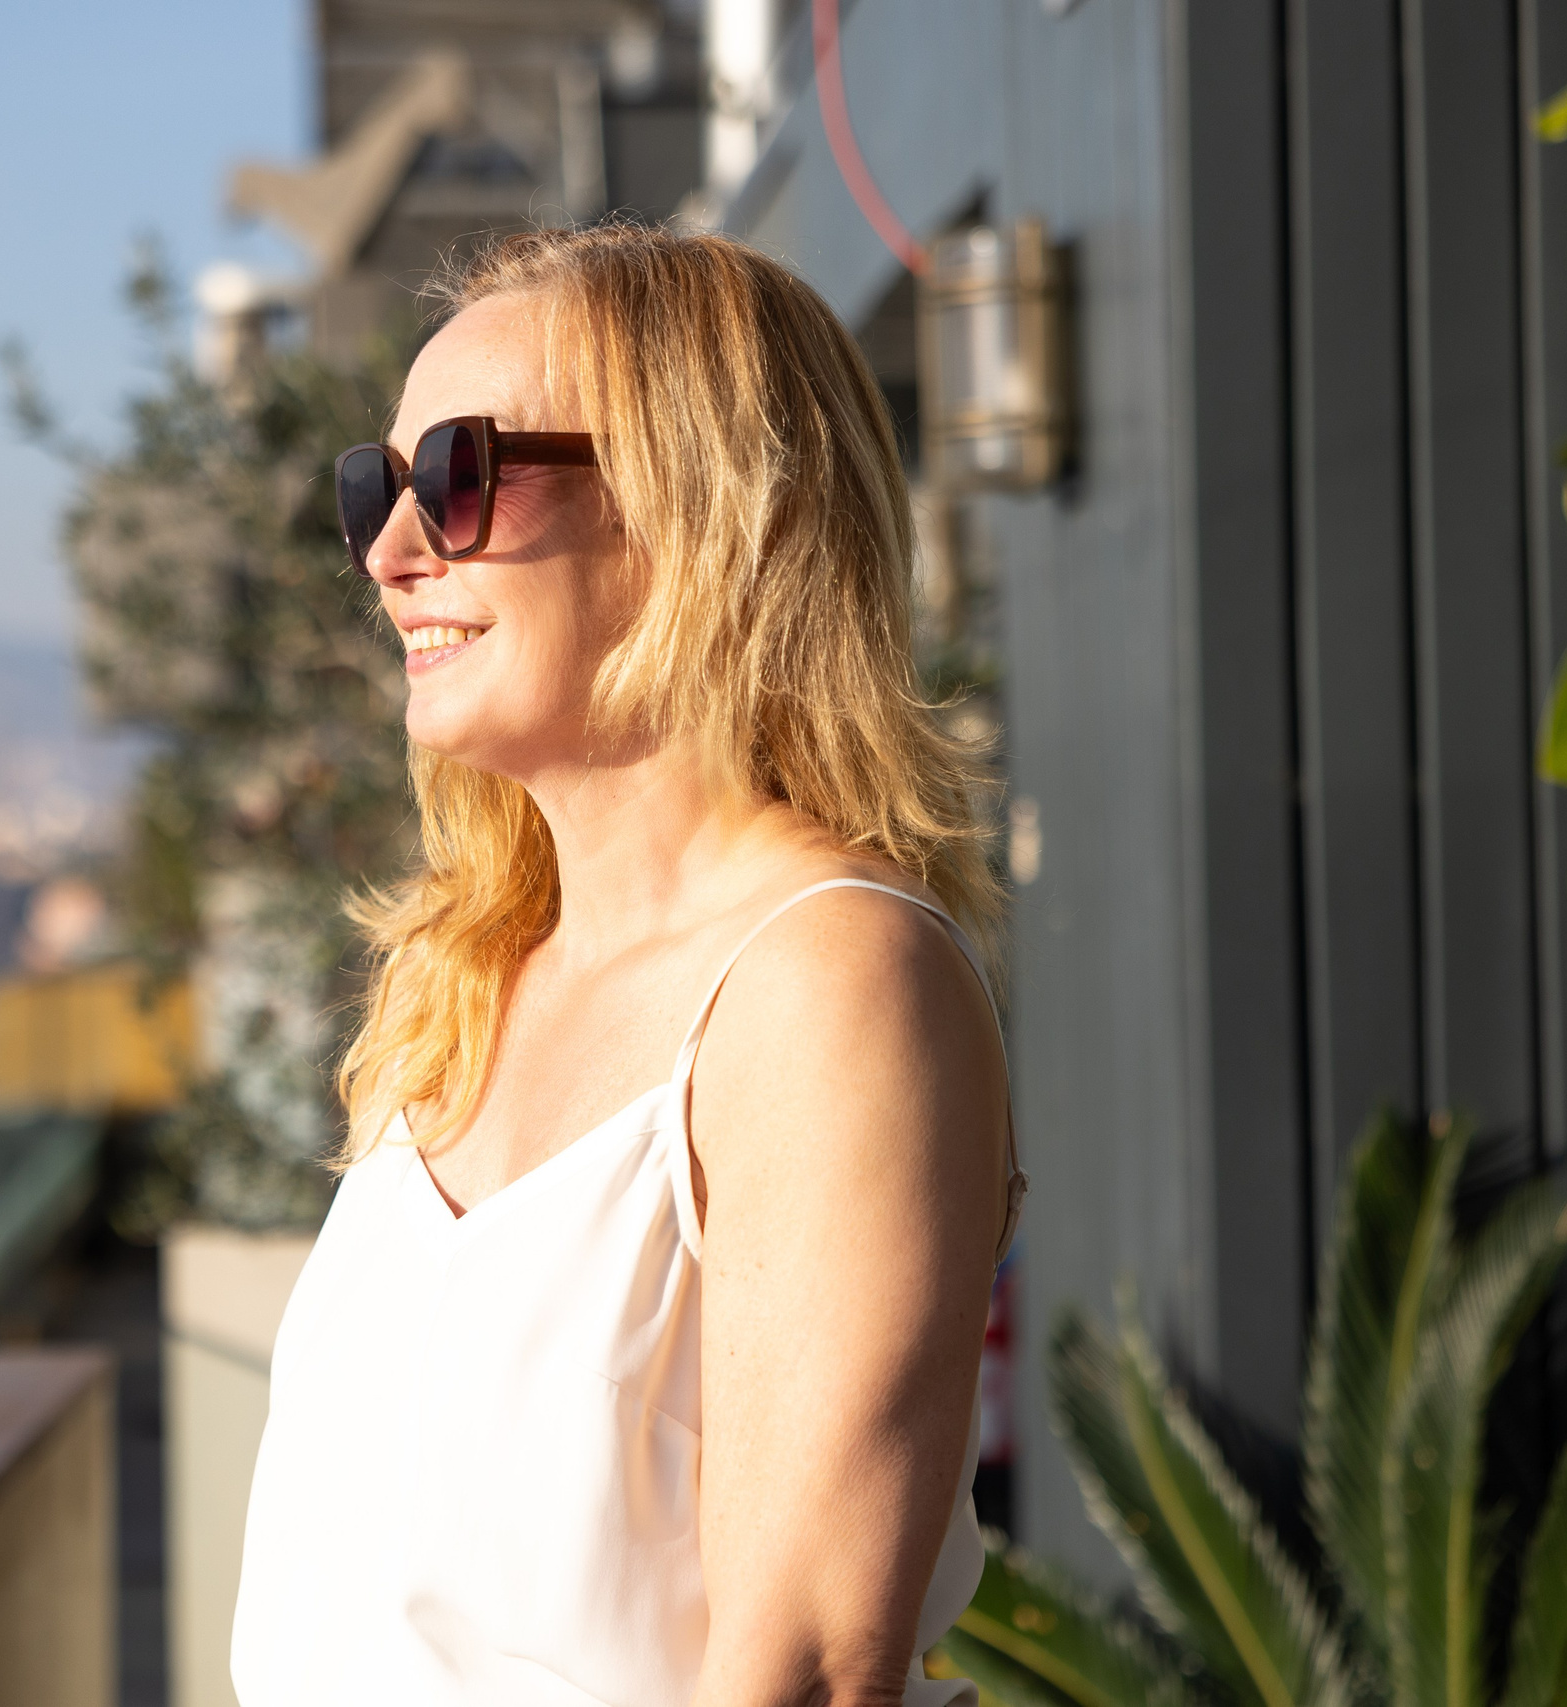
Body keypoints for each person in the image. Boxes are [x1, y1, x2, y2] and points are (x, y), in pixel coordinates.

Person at [231, 223, 1026, 1707]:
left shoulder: (826, 981)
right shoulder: (465, 985)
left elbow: (803, 1669)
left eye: (461, 475)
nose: (395, 554)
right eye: (375, 489)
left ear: (700, 502)